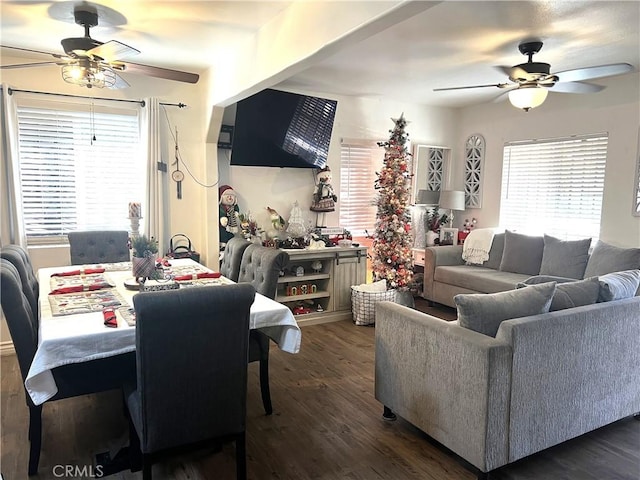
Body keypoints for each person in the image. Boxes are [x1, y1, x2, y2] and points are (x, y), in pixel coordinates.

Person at [219, 185, 240, 249]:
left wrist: (236, 213)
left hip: (231, 225)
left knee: (231, 234)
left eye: (232, 196)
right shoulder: (221, 207)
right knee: (223, 234)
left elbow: (236, 209)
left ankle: (231, 244)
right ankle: (223, 246)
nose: (230, 198)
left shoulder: (233, 207)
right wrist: (223, 218)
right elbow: (220, 212)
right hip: (223, 226)